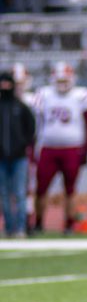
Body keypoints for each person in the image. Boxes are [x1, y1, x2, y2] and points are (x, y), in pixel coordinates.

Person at [32, 61, 87, 235]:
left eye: (65, 80)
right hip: (48, 148)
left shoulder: (81, 95)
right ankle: (38, 223)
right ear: (53, 80)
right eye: (59, 81)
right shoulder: (43, 95)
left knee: (70, 189)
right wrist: (34, 147)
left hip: (71, 149)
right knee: (41, 188)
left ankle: (69, 224)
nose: (62, 84)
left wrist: (86, 150)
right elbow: (36, 125)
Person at [0, 71, 35, 238]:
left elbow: (31, 128)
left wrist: (23, 145)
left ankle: (21, 227)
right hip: (1, 158)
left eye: (7, 83)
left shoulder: (20, 106)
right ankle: (9, 227)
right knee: (4, 194)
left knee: (20, 192)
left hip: (19, 157)